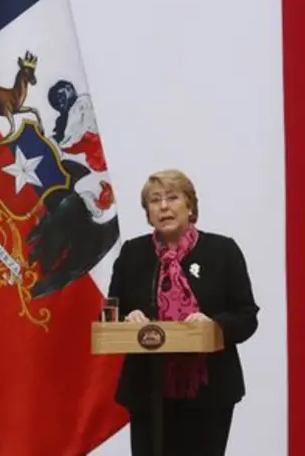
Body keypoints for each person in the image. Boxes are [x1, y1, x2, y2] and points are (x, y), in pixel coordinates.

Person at [108, 169, 259, 456]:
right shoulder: (133, 253)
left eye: (172, 197)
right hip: (147, 390)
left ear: (190, 206)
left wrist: (213, 325)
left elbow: (246, 315)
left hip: (209, 390)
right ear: (148, 213)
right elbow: (112, 310)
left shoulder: (222, 251)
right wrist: (129, 319)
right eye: (154, 200)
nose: (163, 206)